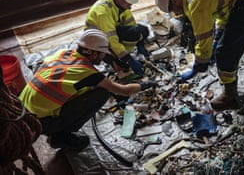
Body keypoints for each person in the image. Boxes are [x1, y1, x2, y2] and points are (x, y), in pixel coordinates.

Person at [18, 29, 157, 151]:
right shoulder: (87, 73)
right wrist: (146, 84)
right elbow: (124, 91)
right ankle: (61, 136)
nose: (104, 57)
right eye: (103, 54)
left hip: (22, 109)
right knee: (102, 93)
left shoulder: (63, 53)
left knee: (90, 88)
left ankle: (57, 128)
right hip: (40, 123)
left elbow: (66, 81)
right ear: (93, 53)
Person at [155, 0, 244, 110]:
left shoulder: (195, 4)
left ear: (175, 0)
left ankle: (230, 96)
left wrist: (200, 63)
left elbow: (204, 38)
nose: (175, 13)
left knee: (225, 53)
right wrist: (219, 33)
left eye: (172, 10)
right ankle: (230, 86)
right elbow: (221, 9)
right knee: (223, 46)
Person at [85, 0, 149, 76]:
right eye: (128, 3)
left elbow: (131, 25)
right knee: (120, 63)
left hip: (111, 34)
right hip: (97, 44)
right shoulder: (103, 12)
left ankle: (120, 55)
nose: (130, 6)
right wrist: (129, 59)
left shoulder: (120, 5)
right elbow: (111, 40)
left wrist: (140, 43)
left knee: (142, 30)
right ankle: (114, 59)